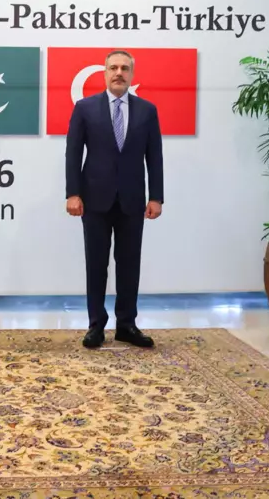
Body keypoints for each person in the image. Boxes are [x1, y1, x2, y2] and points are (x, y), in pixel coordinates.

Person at [64, 50, 163, 349]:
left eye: (125, 68)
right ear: (104, 73)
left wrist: (156, 196)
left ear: (132, 74)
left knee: (129, 263)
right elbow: (73, 153)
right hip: (94, 199)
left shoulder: (147, 110)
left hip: (133, 200)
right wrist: (72, 193)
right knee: (96, 264)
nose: (119, 73)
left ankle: (126, 324)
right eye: (113, 68)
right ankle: (96, 325)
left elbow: (154, 156)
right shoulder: (85, 108)